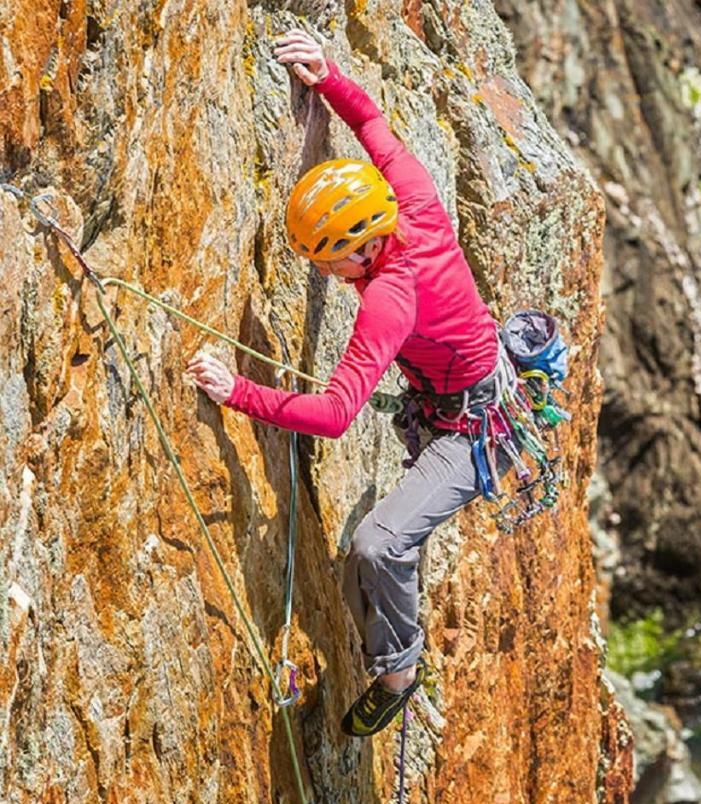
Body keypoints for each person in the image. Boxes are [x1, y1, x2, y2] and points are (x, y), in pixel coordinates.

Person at [186, 28, 509, 737]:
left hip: (474, 429)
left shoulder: (392, 297)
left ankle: (398, 669)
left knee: (378, 543)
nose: (322, 273)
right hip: (459, 391)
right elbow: (374, 125)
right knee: (390, 537)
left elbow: (334, 414)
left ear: (362, 248)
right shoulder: (411, 198)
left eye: (327, 261)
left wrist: (236, 390)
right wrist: (327, 76)